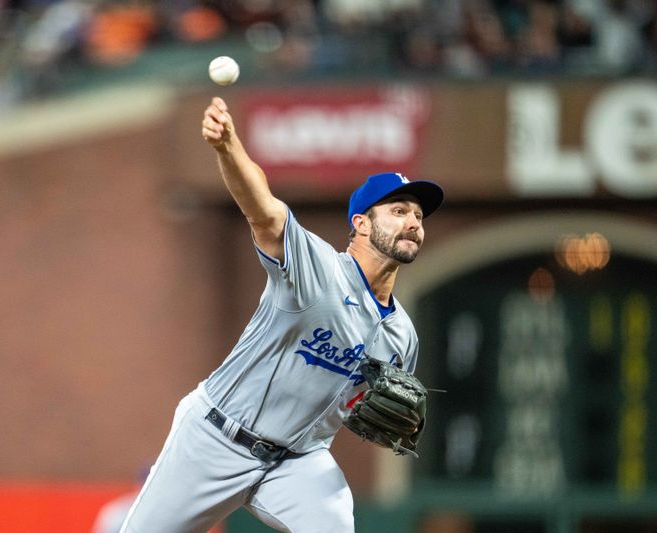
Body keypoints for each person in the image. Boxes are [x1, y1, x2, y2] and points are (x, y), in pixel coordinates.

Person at [120, 97, 444, 533]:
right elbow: (264, 211)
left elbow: (366, 408)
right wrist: (228, 148)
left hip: (298, 461)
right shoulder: (319, 269)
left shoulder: (401, 334)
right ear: (361, 223)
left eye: (419, 215)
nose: (413, 223)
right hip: (216, 436)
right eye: (399, 211)